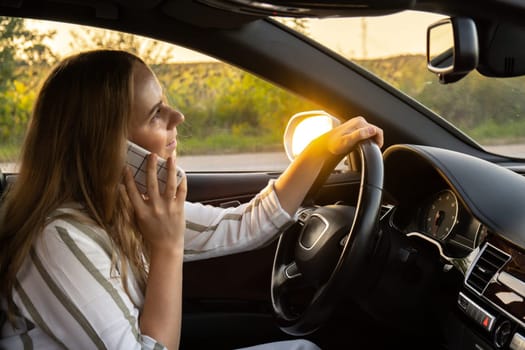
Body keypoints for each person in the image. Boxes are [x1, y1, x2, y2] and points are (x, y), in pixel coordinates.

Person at [0, 50, 383, 349]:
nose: (178, 116)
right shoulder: (59, 240)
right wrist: (167, 247)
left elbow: (248, 225)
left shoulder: (125, 209)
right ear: (108, 147)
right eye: (155, 114)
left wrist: (319, 150)